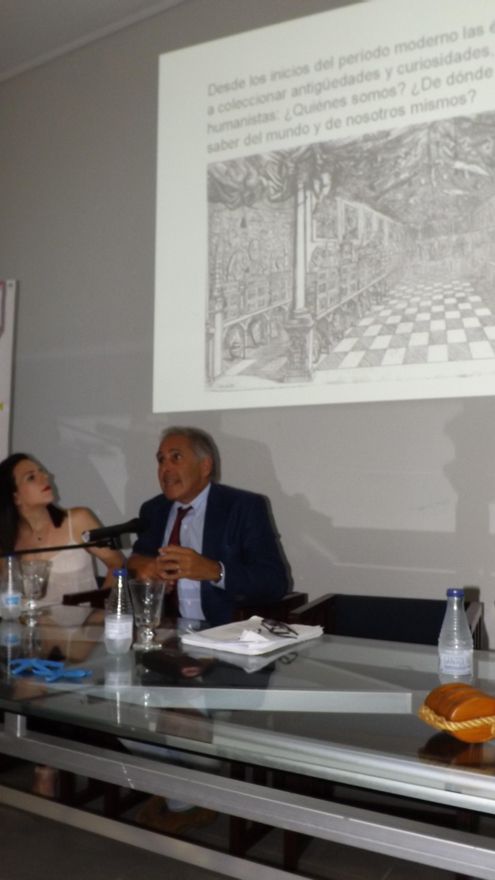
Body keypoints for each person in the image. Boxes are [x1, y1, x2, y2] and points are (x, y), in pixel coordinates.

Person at [128, 426, 291, 627]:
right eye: (161, 460)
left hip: (226, 632)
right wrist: (145, 568)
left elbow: (274, 583)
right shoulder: (154, 510)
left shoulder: (243, 507)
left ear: (205, 466)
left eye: (176, 457)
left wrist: (215, 571)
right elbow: (136, 561)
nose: (165, 468)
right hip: (166, 632)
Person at [0, 453, 125, 604]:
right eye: (31, 477)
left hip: (86, 619)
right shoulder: (6, 541)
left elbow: (118, 564)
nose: (45, 477)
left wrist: (99, 608)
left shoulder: (78, 520)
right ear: (15, 497)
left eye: (41, 471)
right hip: (28, 619)